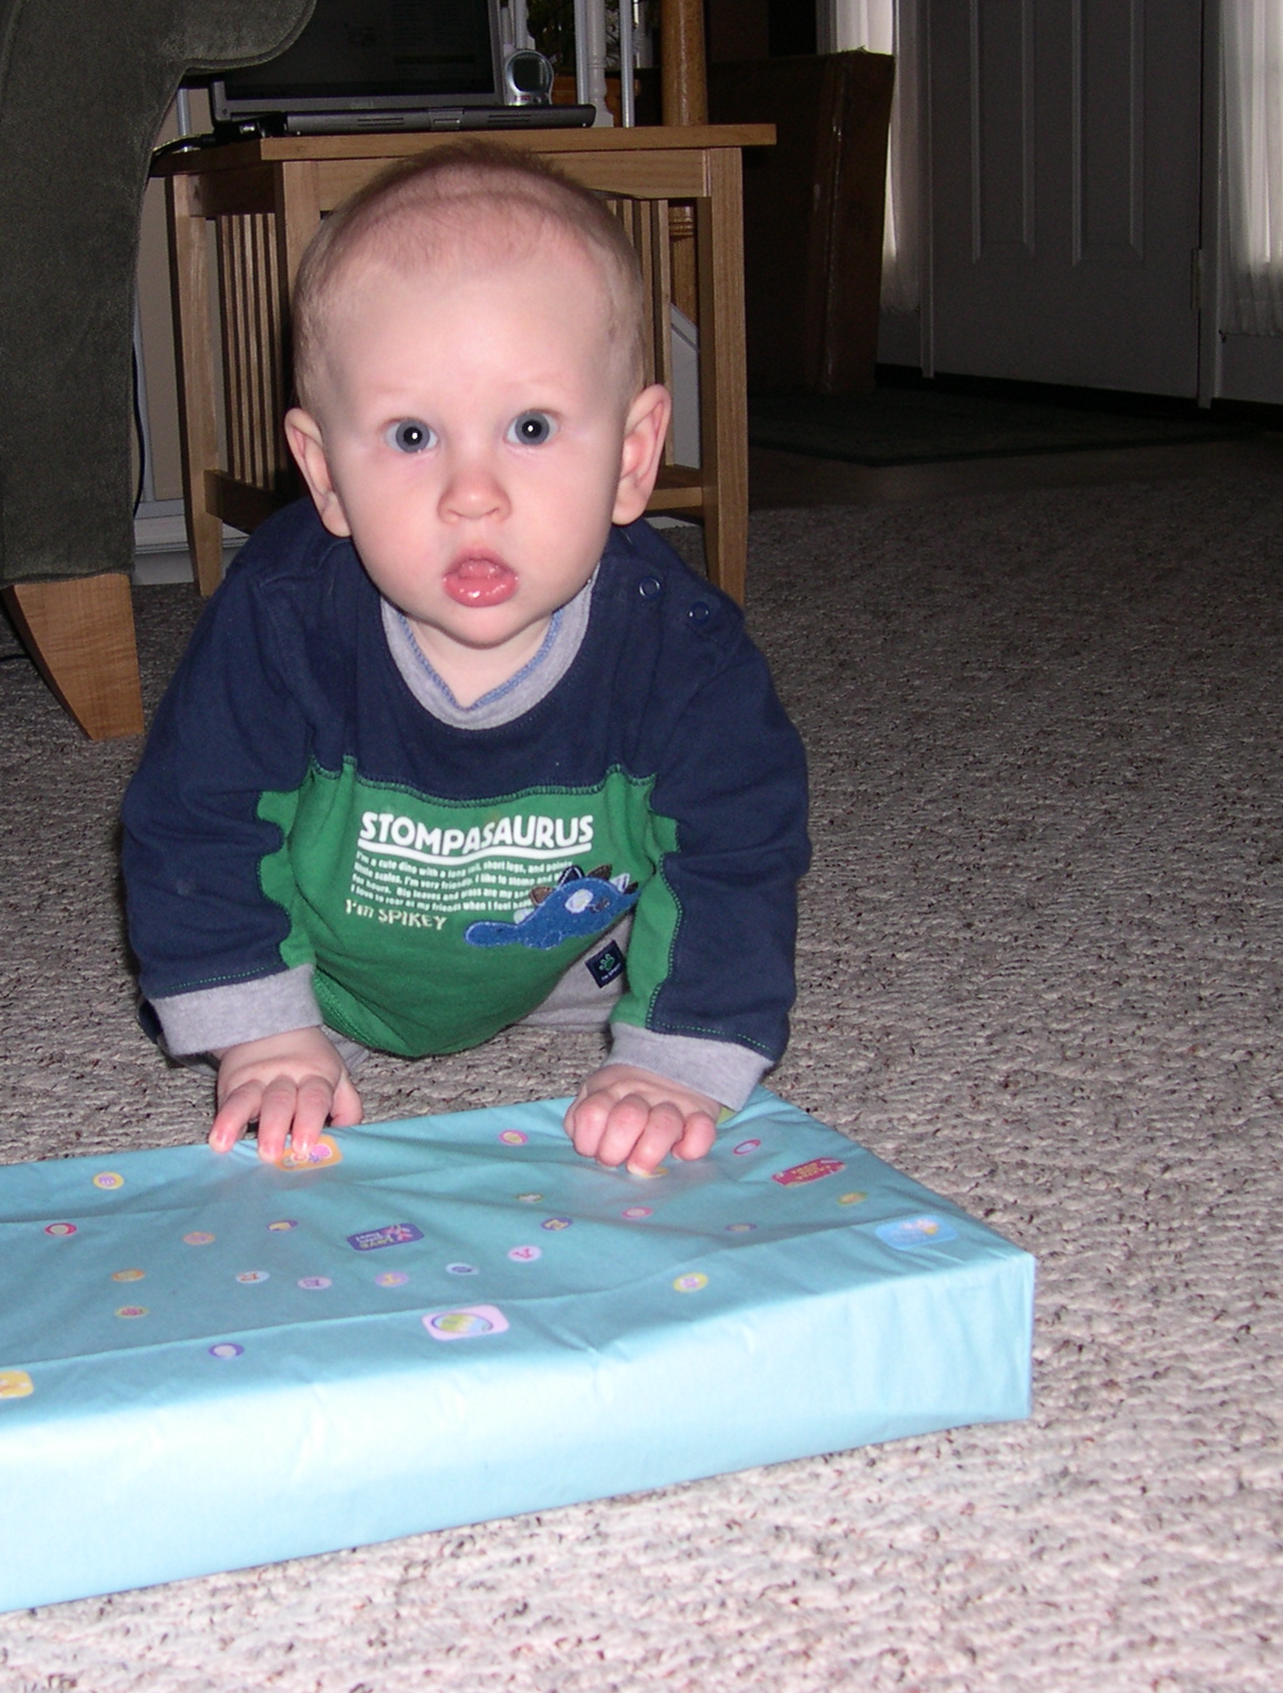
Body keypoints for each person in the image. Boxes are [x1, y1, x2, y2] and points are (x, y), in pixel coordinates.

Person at [121, 141, 808, 1176]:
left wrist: (675, 1058)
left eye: (529, 427)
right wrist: (264, 1032)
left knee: (662, 953)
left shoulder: (686, 655)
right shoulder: (280, 618)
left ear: (632, 459)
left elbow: (735, 850)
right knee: (255, 982)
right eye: (409, 437)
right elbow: (193, 821)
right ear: (323, 473)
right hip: (324, 970)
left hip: (567, 965)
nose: (470, 493)